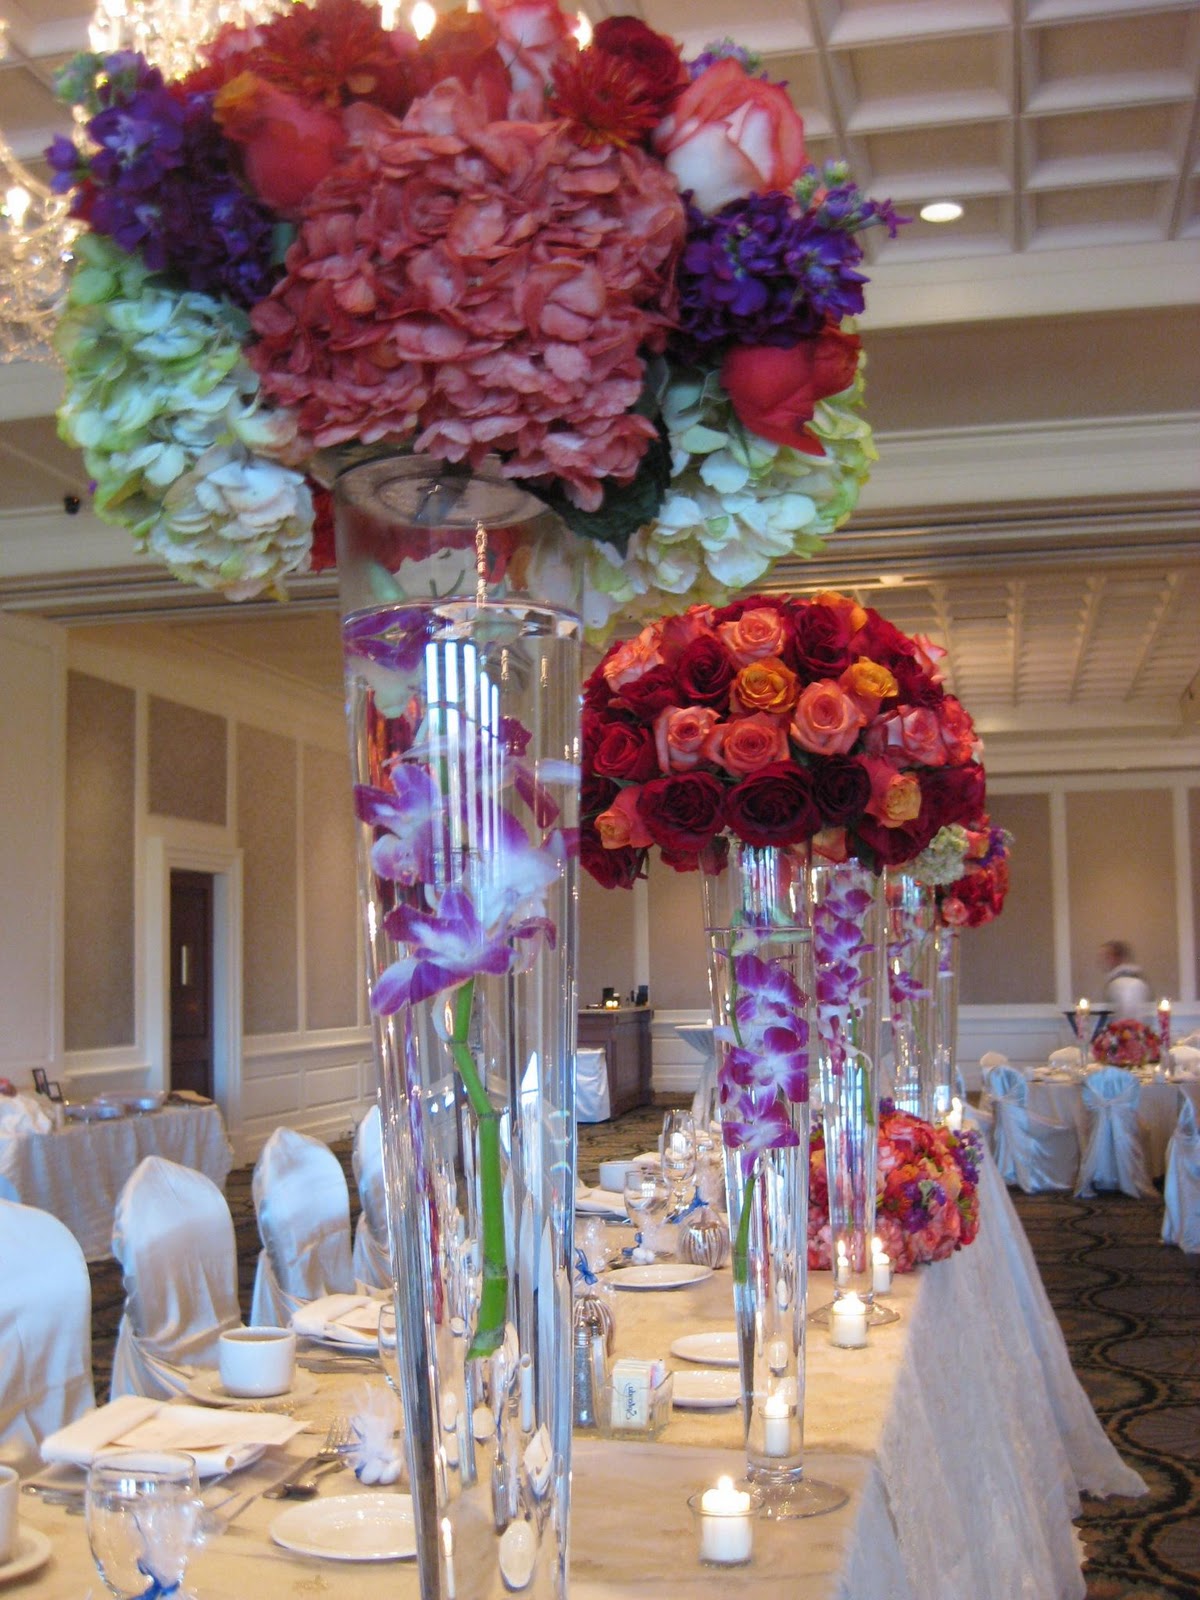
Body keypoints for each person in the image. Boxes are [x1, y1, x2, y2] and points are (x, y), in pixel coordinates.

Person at [1100, 940, 1151, 1017]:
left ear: (1116, 957)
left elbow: (1126, 1014)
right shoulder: (1138, 978)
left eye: (1107, 957)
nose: (1102, 962)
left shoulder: (1122, 983)